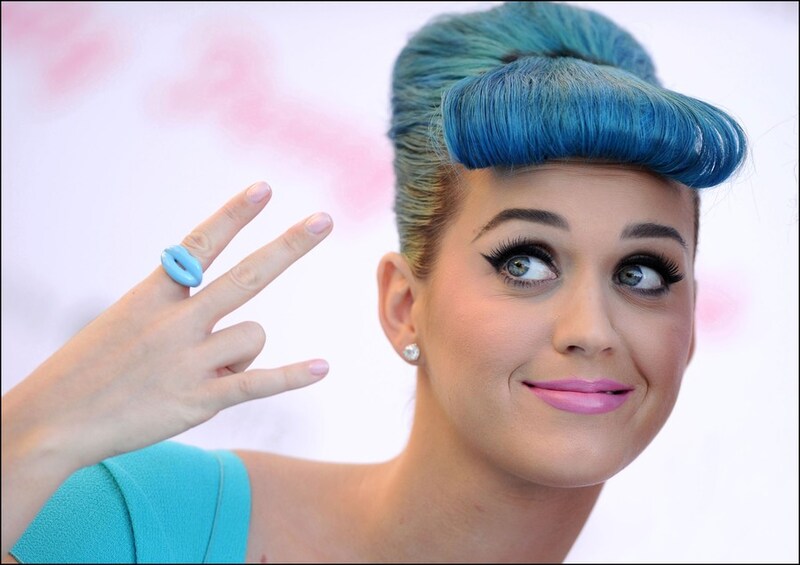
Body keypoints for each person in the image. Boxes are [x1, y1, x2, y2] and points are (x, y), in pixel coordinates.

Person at [1, 1, 749, 562]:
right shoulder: (135, 518)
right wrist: (31, 432)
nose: (591, 328)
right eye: (525, 262)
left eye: (642, 273)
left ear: (687, 330)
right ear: (403, 307)